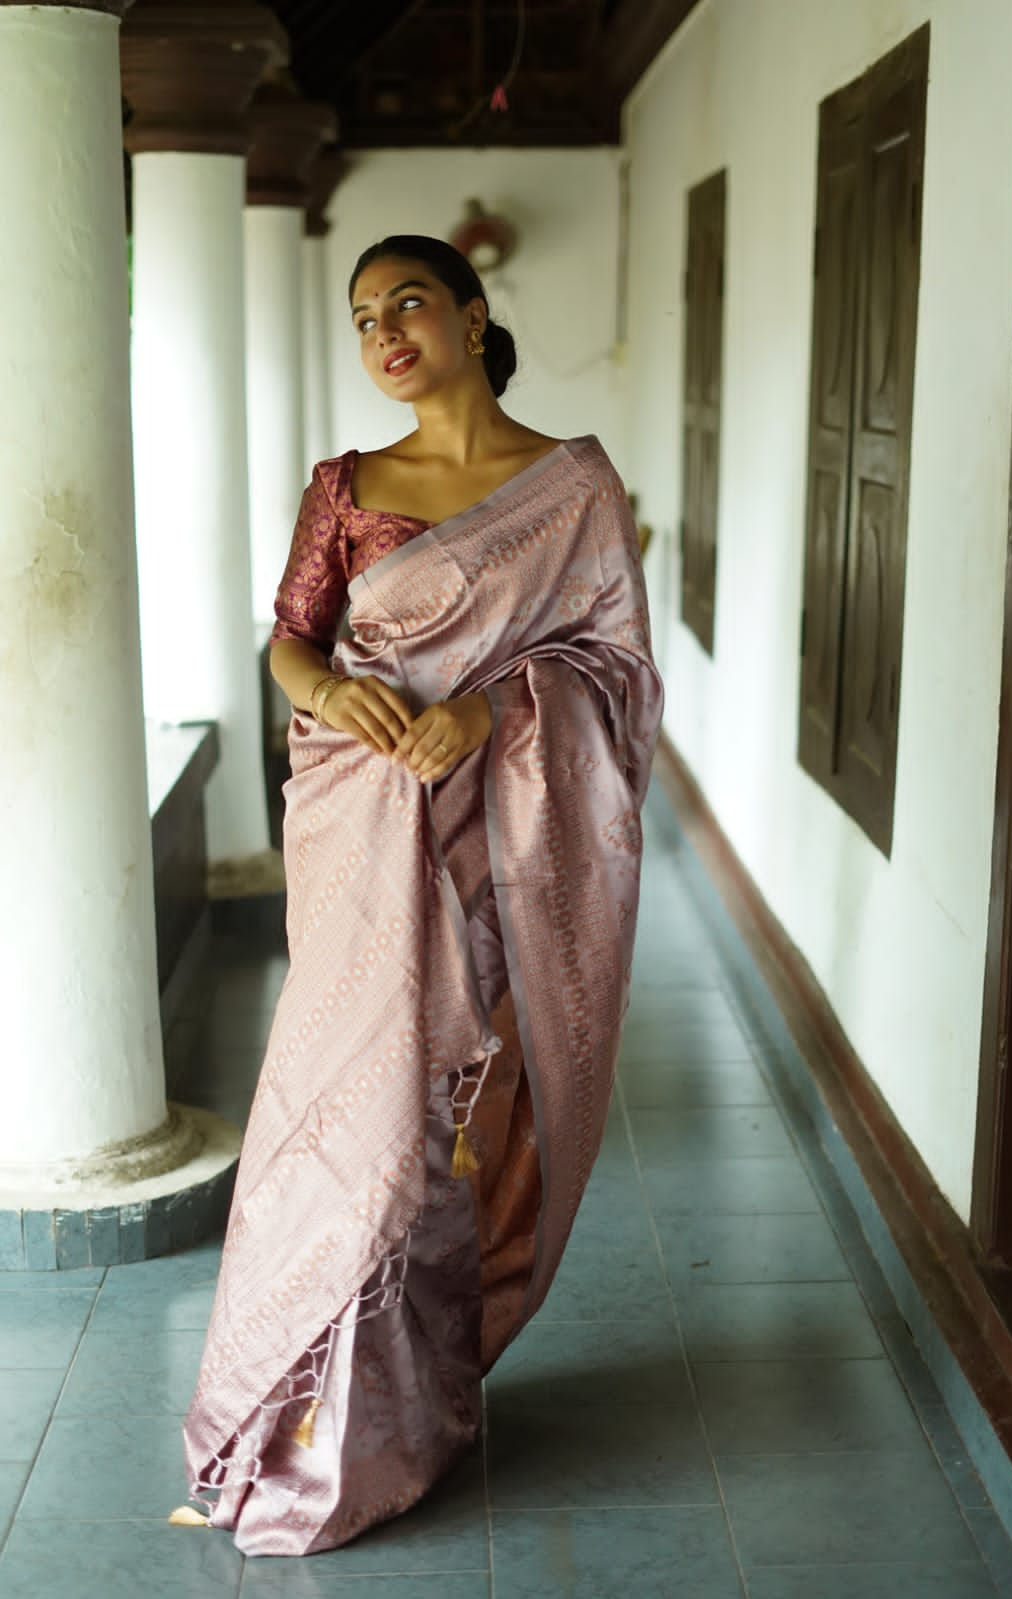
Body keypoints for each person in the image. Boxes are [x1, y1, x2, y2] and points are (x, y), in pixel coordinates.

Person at [173, 235, 663, 1556]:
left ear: (470, 312)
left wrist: (497, 702)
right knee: (345, 1116)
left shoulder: (568, 489)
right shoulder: (345, 484)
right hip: (363, 838)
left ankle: (418, 1404)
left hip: (501, 849)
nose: (384, 331)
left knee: (456, 1118)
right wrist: (333, 691)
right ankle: (297, 1420)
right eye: (361, 317)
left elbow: (611, 673)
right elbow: (290, 636)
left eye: (407, 303)